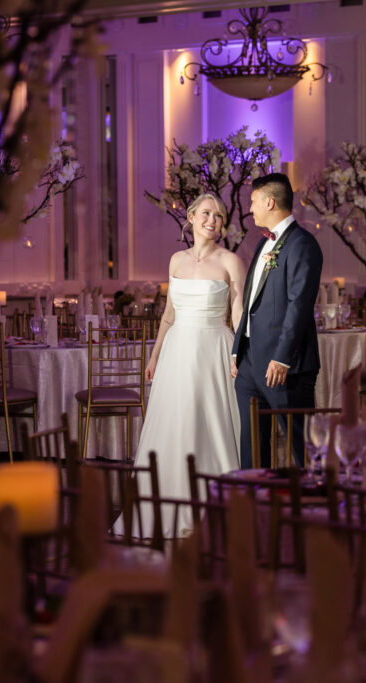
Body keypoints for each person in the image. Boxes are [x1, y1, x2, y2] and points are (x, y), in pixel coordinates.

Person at [116, 192, 246, 538]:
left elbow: (238, 314)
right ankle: (169, 500)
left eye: (218, 216)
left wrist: (240, 353)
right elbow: (169, 314)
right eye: (206, 213)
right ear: (190, 217)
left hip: (214, 347)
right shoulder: (175, 261)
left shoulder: (231, 261)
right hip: (177, 351)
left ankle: (217, 505)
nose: (212, 221)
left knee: (211, 421)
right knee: (175, 422)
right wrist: (155, 354)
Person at [232, 173, 322, 470]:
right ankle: (252, 504)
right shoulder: (262, 245)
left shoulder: (302, 244)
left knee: (302, 445)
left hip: (285, 367)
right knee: (252, 446)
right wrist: (238, 349)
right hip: (250, 364)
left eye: (254, 201)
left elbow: (299, 304)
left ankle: (316, 504)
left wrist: (282, 358)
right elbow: (251, 302)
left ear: (270, 202)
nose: (250, 207)